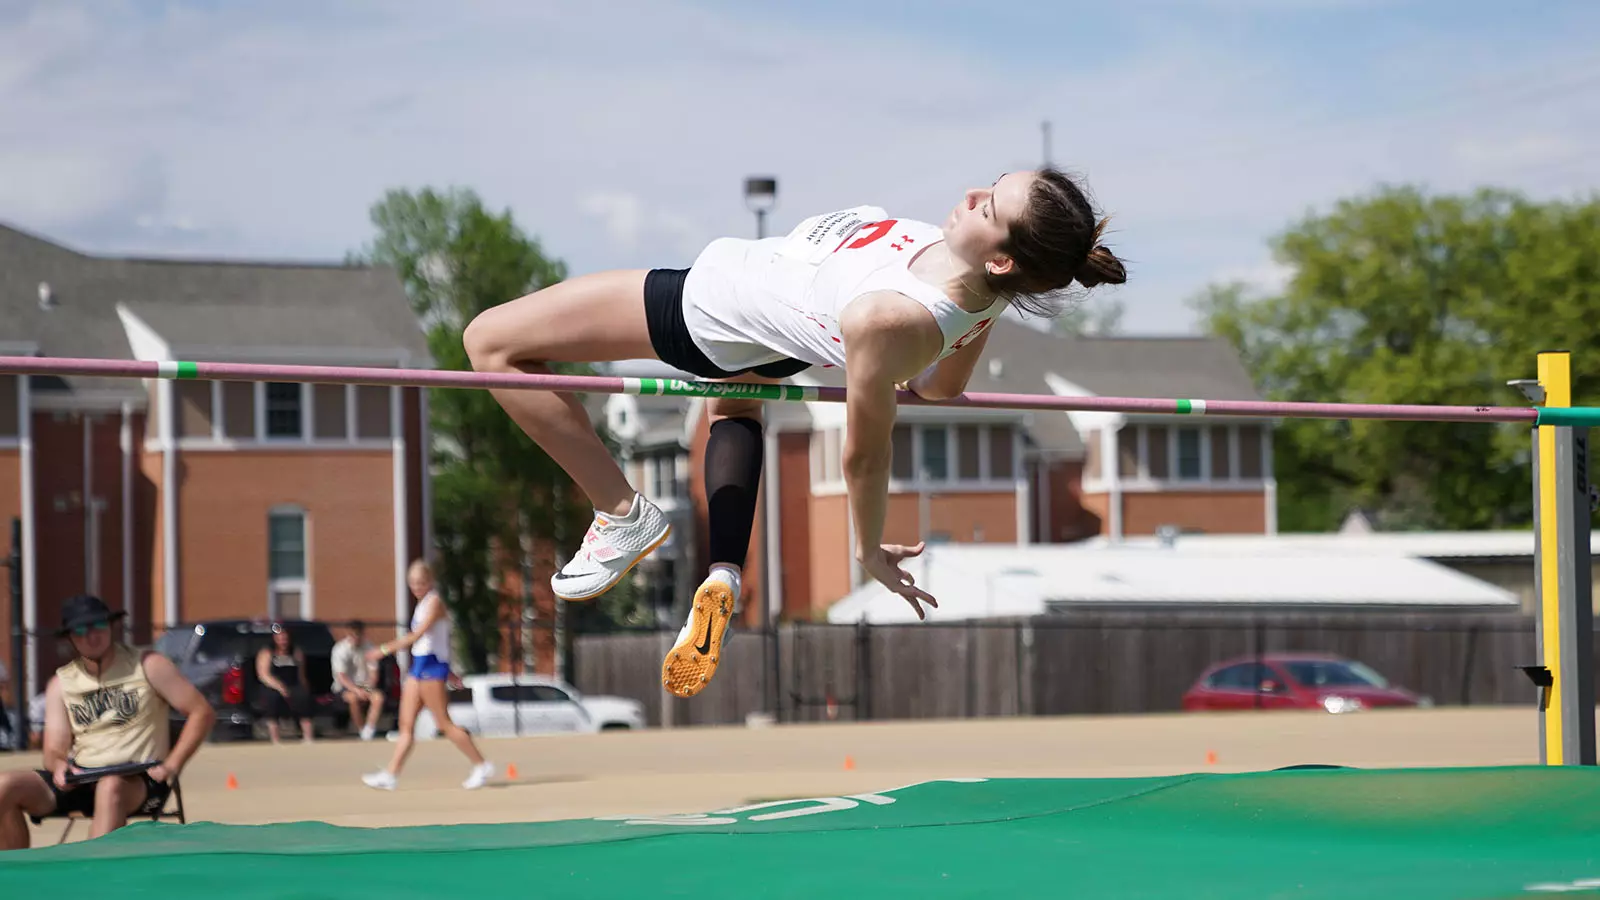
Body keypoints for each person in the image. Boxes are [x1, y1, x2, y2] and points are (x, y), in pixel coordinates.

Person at [464, 167, 1126, 699]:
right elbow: (943, 388)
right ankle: (723, 570)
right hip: (773, 330)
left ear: (1005, 260)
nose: (970, 195)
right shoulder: (983, 292)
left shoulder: (889, 319)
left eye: (988, 207)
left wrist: (866, 550)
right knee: (737, 408)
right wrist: (909, 367)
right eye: (990, 184)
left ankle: (620, 511)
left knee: (492, 343)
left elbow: (865, 457)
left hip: (705, 310)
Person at [0, 595, 215, 850]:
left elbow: (201, 712)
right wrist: (59, 767)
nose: (91, 635)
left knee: (110, 786)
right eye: (81, 630)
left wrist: (172, 764)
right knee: (5, 785)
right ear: (69, 636)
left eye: (98, 625)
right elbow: (54, 749)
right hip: (82, 779)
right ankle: (14, 872)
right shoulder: (61, 683)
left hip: (138, 779)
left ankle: (92, 876)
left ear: (111, 626)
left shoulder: (148, 665)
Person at [361, 560, 494, 791]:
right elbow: (432, 641)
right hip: (418, 667)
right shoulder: (421, 604)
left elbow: (417, 636)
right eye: (413, 583)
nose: (417, 587)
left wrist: (382, 650)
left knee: (444, 724)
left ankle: (481, 765)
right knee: (406, 725)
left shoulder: (435, 602)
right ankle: (391, 774)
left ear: (430, 581)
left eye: (421, 583)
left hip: (432, 669)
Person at [254, 624, 316, 744]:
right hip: (273, 685)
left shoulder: (296, 652)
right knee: (272, 698)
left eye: (285, 637)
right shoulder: (267, 652)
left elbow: (301, 674)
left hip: (293, 683)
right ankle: (275, 739)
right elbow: (263, 674)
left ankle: (308, 737)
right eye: (280, 637)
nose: (283, 640)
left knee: (303, 697)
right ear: (274, 638)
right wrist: (280, 687)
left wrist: (304, 688)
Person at [331, 620, 384, 740]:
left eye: (358, 634)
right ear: (348, 634)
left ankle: (369, 729)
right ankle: (361, 729)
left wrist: (367, 688)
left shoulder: (369, 647)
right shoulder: (340, 649)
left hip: (364, 685)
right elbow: (342, 677)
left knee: (378, 698)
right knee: (353, 698)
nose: (356, 637)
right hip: (344, 687)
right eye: (353, 634)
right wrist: (356, 690)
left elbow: (373, 674)